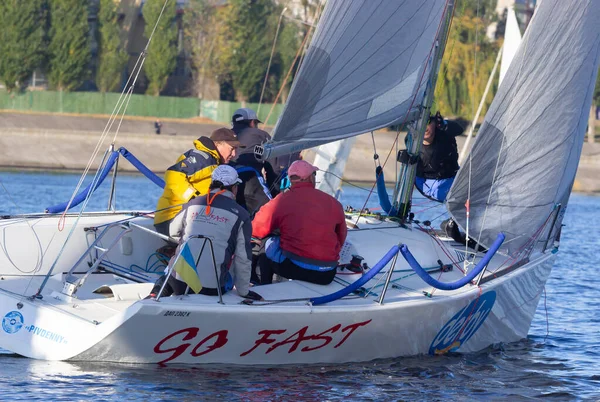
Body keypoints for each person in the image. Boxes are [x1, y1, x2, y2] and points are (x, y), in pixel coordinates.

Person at [149, 165, 262, 300]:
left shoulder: (193, 203)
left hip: (179, 284)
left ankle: (155, 294)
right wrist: (244, 292)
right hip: (212, 290)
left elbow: (173, 231)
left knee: (171, 269)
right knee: (229, 270)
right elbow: (243, 258)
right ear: (234, 188)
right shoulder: (241, 215)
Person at [252, 160, 347, 285]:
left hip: (293, 269)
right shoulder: (334, 203)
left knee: (266, 242)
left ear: (291, 180)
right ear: (310, 178)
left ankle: (265, 287)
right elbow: (341, 236)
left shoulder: (282, 200)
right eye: (314, 174)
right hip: (326, 274)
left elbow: (256, 228)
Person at [154, 127, 242, 238]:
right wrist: (193, 199)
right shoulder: (204, 158)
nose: (234, 154)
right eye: (232, 148)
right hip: (171, 219)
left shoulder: (215, 163)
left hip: (186, 218)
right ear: (219, 144)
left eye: (236, 149)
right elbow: (173, 173)